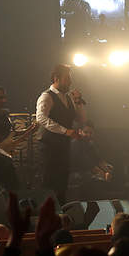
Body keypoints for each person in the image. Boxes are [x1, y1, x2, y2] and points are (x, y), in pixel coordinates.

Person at [35, 64, 87, 204]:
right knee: (49, 182)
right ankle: (45, 213)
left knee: (62, 183)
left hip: (63, 146)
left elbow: (81, 119)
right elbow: (41, 118)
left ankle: (61, 212)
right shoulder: (47, 96)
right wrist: (65, 131)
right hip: (49, 146)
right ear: (56, 78)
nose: (70, 82)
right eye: (67, 78)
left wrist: (78, 101)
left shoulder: (68, 98)